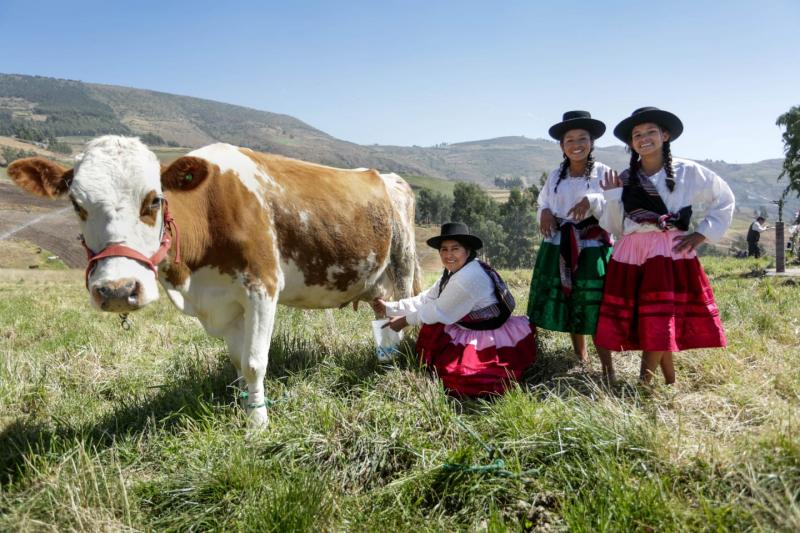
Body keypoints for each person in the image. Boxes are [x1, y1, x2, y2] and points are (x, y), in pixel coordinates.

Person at [597, 107, 735, 385]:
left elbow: (723, 198)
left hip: (668, 253)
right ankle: (669, 383)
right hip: (632, 252)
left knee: (659, 317)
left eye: (650, 131)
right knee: (650, 317)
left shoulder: (688, 171)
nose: (643, 138)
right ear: (631, 143)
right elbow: (614, 227)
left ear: (665, 135)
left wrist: (702, 234)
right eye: (637, 134)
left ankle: (644, 384)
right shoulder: (624, 179)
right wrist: (612, 197)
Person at [372, 222, 536, 396]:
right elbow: (428, 298)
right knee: (432, 326)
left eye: (455, 249)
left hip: (488, 335)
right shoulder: (456, 271)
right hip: (471, 325)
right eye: (444, 249)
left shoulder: (469, 277)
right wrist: (390, 308)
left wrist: (403, 321)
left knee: (459, 378)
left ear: (467, 250)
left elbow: (438, 309)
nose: (448, 255)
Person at [526, 110, 615, 381]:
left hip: (590, 248)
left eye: (582, 138)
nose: (576, 144)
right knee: (570, 299)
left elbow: (615, 206)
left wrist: (593, 201)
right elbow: (545, 201)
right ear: (561, 145)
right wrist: (544, 212)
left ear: (592, 142)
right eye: (569, 139)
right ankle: (580, 357)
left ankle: (608, 368)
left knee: (593, 303)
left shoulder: (603, 172)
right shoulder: (555, 175)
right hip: (559, 245)